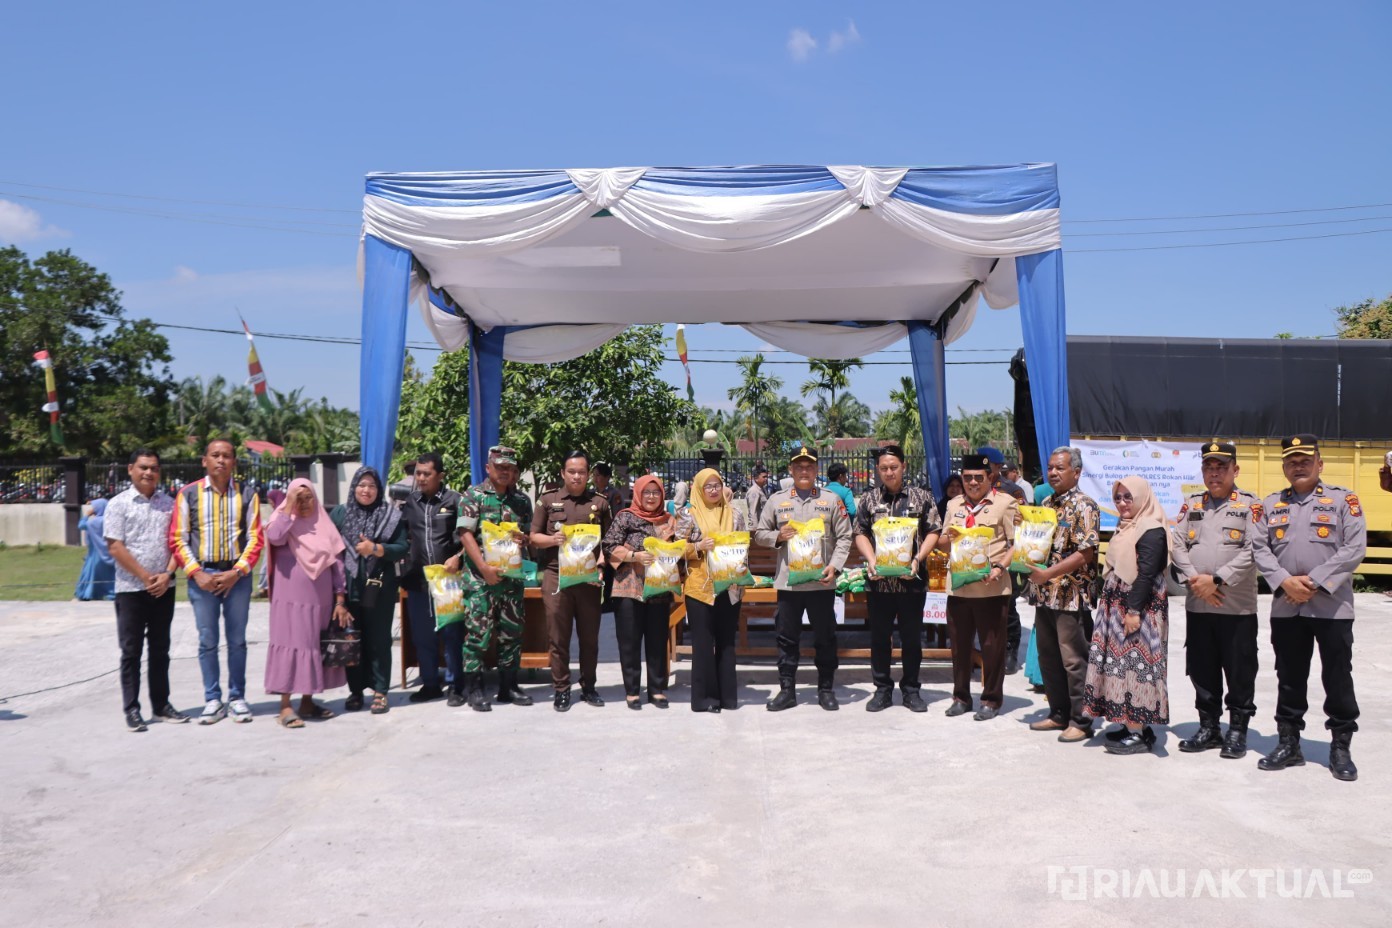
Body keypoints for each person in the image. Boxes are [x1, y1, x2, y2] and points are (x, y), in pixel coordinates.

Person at [1251, 434, 1366, 781]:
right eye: (1291, 461)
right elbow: (1259, 548)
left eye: (1305, 460)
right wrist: (1284, 581)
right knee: (1289, 677)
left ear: (1320, 464)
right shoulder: (1270, 504)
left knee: (1337, 677)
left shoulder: (1343, 500)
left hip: (1331, 606)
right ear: (1284, 467)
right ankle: (1289, 744)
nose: (1298, 466)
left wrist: (1313, 581)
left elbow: (1354, 548)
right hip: (1287, 607)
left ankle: (1341, 746)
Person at [1169, 442, 1262, 758]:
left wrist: (1217, 580)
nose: (1214, 473)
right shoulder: (1192, 503)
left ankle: (1237, 731)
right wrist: (1195, 579)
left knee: (1240, 671)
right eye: (1209, 467)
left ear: (1235, 470)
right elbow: (1177, 544)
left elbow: (1254, 549)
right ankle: (1209, 728)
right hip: (1199, 603)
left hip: (1236, 607)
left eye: (1221, 467)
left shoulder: (1250, 505)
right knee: (1202, 669)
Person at [170, 439, 264, 724]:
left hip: (237, 577)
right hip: (202, 577)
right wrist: (196, 572)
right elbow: (178, 538)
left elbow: (255, 537)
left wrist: (237, 572)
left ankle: (237, 698)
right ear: (205, 460)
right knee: (207, 640)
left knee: (237, 641)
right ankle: (212, 699)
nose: (221, 460)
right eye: (215, 455)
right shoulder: (188, 495)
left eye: (226, 456)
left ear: (234, 461)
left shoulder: (248, 494)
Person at [754, 445, 852, 711]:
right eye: (799, 466)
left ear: (817, 469)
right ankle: (787, 690)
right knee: (786, 638)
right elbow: (760, 533)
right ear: (791, 469)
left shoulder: (831, 500)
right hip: (789, 584)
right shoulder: (777, 501)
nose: (804, 471)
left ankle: (826, 689)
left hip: (821, 582)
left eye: (809, 466)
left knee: (825, 637)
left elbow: (845, 536)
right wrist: (777, 536)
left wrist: (835, 566)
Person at [1083, 477, 1171, 755]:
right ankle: (1132, 725)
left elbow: (1146, 574)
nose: (1122, 503)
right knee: (1120, 667)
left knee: (1136, 667)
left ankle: (1138, 732)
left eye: (1128, 497)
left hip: (1138, 609)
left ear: (1142, 497)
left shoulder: (1150, 528)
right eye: (1118, 498)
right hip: (1119, 606)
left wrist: (1133, 611)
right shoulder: (1127, 526)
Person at [853, 444, 940, 712]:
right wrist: (871, 559)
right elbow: (860, 533)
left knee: (912, 639)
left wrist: (918, 558)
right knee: (879, 638)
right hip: (879, 583)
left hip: (912, 581)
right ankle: (882, 689)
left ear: (904, 466)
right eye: (884, 468)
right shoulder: (868, 499)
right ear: (877, 470)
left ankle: (911, 690)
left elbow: (934, 530)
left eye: (893, 467)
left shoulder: (922, 497)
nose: (889, 472)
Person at [1024, 446, 1101, 743]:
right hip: (1044, 594)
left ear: (1076, 472)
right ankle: (1058, 713)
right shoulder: (1045, 503)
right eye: (1050, 468)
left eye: (1060, 468)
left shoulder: (1085, 505)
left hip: (1071, 596)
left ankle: (1081, 720)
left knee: (1074, 660)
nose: (1053, 473)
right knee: (1049, 658)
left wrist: (1048, 574)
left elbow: (1085, 554)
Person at [104, 449, 184, 732]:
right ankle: (132, 709)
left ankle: (161, 705)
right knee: (131, 651)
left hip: (164, 588)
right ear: (130, 469)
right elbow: (115, 546)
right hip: (130, 589)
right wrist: (145, 576)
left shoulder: (170, 504)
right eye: (143, 467)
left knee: (161, 649)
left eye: (154, 468)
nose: (149, 473)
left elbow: (179, 543)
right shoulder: (118, 504)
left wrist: (167, 574)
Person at [453, 446, 535, 711]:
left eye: (510, 468)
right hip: (480, 579)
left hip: (511, 579)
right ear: (488, 468)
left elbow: (527, 535)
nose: (505, 472)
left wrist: (524, 539)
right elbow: (465, 534)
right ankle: (474, 689)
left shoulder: (521, 501)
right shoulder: (473, 496)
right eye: (500, 467)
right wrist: (483, 568)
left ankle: (508, 687)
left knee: (512, 633)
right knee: (478, 634)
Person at [938, 453, 1018, 720]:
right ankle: (960, 697)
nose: (972, 482)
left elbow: (1017, 543)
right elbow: (943, 543)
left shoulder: (1005, 504)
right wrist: (947, 538)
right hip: (959, 587)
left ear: (990, 477)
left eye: (978, 477)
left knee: (992, 647)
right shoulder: (953, 505)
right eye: (967, 477)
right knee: (959, 646)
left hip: (991, 588)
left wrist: (1000, 567)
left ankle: (991, 700)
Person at [531, 450, 612, 711]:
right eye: (572, 471)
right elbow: (533, 537)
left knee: (589, 638)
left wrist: (602, 564)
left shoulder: (599, 503)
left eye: (581, 472)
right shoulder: (548, 500)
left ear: (588, 475)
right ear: (563, 473)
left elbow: (609, 541)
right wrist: (552, 539)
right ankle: (562, 689)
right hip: (556, 576)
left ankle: (589, 686)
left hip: (588, 578)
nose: (577, 476)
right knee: (558, 637)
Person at [264, 479, 348, 728]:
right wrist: (289, 507)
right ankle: (285, 706)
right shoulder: (283, 520)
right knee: (290, 644)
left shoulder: (323, 523)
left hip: (319, 600)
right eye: (298, 498)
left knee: (313, 645)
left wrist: (340, 597)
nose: (303, 504)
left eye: (307, 498)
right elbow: (275, 537)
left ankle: (308, 702)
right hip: (289, 600)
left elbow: (337, 562)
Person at [331, 466, 409, 715]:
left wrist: (376, 549)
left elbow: (402, 547)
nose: (366, 490)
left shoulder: (391, 515)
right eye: (362, 485)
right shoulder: (341, 513)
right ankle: (356, 691)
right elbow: (329, 547)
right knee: (352, 639)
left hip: (379, 589)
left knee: (379, 640)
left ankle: (380, 691)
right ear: (354, 487)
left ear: (379, 489)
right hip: (349, 588)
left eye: (372, 486)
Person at [604, 474, 679, 710]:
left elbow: (680, 548)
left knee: (657, 640)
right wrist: (633, 556)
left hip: (659, 588)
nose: (651, 497)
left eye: (656, 492)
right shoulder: (625, 517)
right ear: (638, 493)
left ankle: (657, 689)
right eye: (646, 492)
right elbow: (608, 545)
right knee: (629, 641)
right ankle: (632, 690)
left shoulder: (669, 520)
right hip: (628, 587)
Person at [675, 469, 747, 713]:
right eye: (708, 486)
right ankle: (706, 699)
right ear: (699, 489)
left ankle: (727, 697)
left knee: (726, 643)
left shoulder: (735, 513)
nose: (714, 490)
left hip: (729, 585)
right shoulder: (688, 515)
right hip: (700, 588)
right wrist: (698, 546)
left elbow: (743, 542)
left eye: (717, 485)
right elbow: (676, 548)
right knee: (703, 644)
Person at [398, 453, 463, 703]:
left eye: (427, 473)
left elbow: (469, 536)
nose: (421, 478)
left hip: (448, 580)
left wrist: (458, 557)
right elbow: (401, 538)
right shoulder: (410, 503)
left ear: (440, 475)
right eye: (418, 473)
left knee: (452, 634)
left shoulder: (454, 501)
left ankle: (456, 685)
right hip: (418, 581)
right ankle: (430, 684)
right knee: (423, 636)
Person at [75, 499, 117, 601]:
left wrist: (86, 515)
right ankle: (112, 593)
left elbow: (81, 525)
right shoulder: (112, 520)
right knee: (110, 575)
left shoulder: (93, 522)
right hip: (111, 553)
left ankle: (89, 593)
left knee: (92, 574)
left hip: (96, 553)